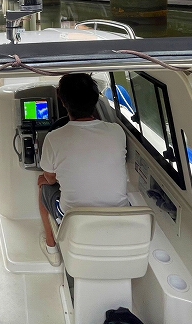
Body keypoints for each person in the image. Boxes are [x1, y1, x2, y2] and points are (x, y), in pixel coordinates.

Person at [37, 73, 129, 266]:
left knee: (42, 186)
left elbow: (51, 179)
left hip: (75, 219)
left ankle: (51, 247)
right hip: (118, 215)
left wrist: (50, 178)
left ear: (62, 101)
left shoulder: (53, 138)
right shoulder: (117, 131)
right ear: (95, 99)